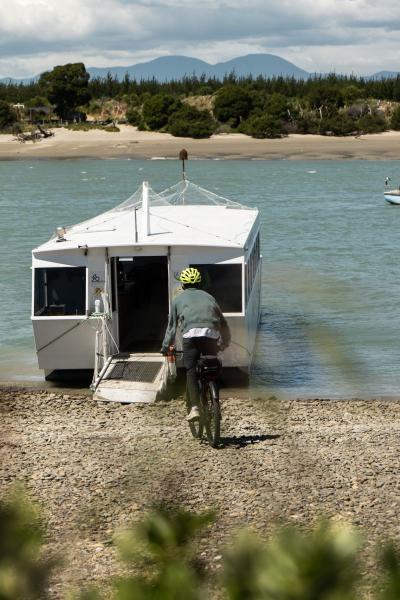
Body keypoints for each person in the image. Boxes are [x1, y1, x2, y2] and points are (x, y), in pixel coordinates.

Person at [161, 267, 230, 421]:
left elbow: (171, 327)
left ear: (183, 285)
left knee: (191, 370)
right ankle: (215, 397)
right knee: (212, 365)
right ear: (200, 283)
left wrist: (166, 347)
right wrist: (225, 341)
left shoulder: (177, 299)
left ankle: (195, 408)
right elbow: (222, 321)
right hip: (211, 335)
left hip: (191, 336)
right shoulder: (209, 297)